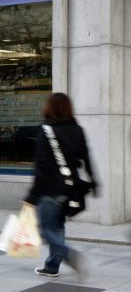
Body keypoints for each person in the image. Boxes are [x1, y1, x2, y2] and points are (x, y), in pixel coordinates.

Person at [23, 93, 97, 278]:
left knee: (45, 230)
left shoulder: (45, 130)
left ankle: (68, 255)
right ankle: (51, 267)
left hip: (50, 190)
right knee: (57, 227)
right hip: (69, 189)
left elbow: (42, 168)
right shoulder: (77, 129)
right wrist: (95, 181)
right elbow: (87, 158)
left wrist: (32, 197)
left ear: (49, 108)